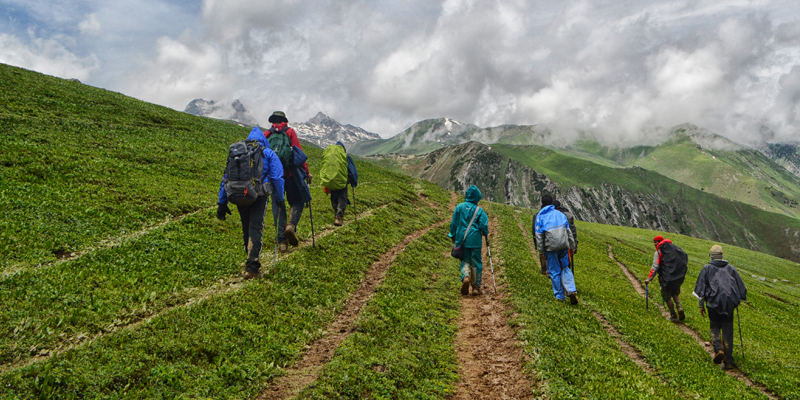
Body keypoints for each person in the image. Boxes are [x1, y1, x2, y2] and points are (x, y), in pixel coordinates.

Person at [216, 126, 285, 279]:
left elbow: (226, 177)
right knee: (256, 227)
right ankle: (252, 267)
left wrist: (222, 202)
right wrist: (280, 199)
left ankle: (248, 258)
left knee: (246, 225)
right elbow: (277, 177)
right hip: (259, 195)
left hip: (240, 192)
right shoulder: (267, 153)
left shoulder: (239, 153)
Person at [693, 245, 747, 370]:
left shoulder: (706, 269)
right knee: (728, 331)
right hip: (729, 305)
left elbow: (702, 289)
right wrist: (738, 300)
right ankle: (728, 361)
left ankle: (718, 349)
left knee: (715, 326)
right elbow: (740, 287)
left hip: (713, 304)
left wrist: (701, 306)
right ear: (722, 256)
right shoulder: (731, 269)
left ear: (711, 256)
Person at [265, 111, 312, 252]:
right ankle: (291, 226)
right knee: (297, 201)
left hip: (275, 177)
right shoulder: (290, 132)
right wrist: (307, 172)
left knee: (278, 206)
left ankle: (282, 242)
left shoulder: (267, 134)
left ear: (273, 121)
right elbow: (299, 154)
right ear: (284, 120)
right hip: (290, 174)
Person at [534, 195, 578, 304]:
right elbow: (568, 232)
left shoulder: (540, 217)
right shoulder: (560, 214)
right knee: (565, 268)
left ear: (542, 204)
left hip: (551, 248)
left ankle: (560, 296)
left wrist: (542, 252)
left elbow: (539, 237)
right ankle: (571, 289)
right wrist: (572, 246)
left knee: (554, 271)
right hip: (563, 245)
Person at [449, 185, 489, 296]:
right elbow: (483, 225)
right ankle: (476, 286)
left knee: (465, 260)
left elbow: (454, 224)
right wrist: (485, 232)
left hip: (462, 239)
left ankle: (466, 276)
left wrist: (452, 235)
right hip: (475, 240)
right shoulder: (479, 210)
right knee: (476, 262)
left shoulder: (459, 207)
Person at [645, 235, 688, 322]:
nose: (654, 244)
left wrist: (649, 279)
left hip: (666, 278)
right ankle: (679, 307)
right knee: (675, 294)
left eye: (656, 242)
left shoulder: (659, 252)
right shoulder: (674, 249)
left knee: (667, 297)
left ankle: (673, 315)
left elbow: (655, 266)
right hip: (676, 277)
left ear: (660, 242)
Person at [321, 141, 358, 226]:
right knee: (342, 198)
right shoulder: (345, 157)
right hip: (342, 181)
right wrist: (353, 182)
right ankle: (339, 217)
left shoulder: (330, 157)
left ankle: (336, 215)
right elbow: (352, 170)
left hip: (331, 181)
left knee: (334, 197)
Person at [553, 200, 578, 271]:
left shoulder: (553, 216)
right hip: (568, 244)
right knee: (566, 264)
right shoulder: (568, 215)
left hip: (556, 243)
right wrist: (574, 246)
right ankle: (566, 278)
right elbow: (573, 232)